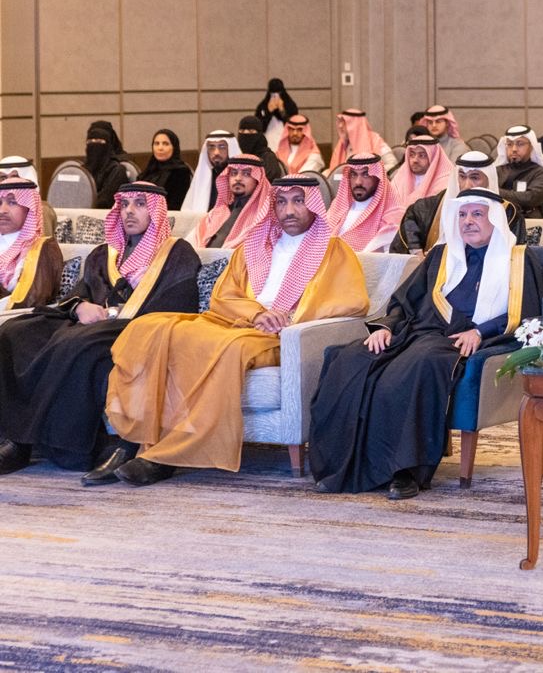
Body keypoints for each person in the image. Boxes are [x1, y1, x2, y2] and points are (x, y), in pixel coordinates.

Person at [103, 177, 369, 486]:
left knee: (227, 348)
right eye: (281, 202)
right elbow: (223, 297)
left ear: (313, 204)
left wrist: (289, 317)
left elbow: (351, 302)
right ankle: (134, 439)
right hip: (237, 322)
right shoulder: (253, 246)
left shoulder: (333, 250)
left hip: (276, 336)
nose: (289, 211)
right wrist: (256, 313)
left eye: (298, 201)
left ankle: (167, 457)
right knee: (151, 327)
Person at [309, 188, 543, 499]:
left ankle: (405, 471)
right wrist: (386, 327)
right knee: (350, 359)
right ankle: (340, 466)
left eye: (477, 214)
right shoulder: (441, 255)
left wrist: (481, 332)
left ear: (495, 219)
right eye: (462, 215)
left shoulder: (519, 260)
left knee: (412, 370)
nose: (468, 221)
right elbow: (405, 301)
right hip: (414, 332)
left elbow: (527, 313)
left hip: (460, 341)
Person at [0, 183, 200, 478]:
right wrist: (81, 307)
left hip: (139, 327)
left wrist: (114, 315)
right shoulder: (103, 254)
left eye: (140, 204)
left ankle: (61, 447)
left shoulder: (177, 253)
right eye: (125, 204)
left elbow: (180, 304)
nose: (129, 211)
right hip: (91, 326)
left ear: (156, 211)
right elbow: (79, 294)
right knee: (15, 332)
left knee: (74, 342)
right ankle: (15, 439)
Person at [391, 150, 525, 253]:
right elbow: (408, 231)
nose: (467, 185)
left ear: (489, 179)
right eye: (462, 177)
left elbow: (511, 256)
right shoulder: (428, 207)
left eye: (474, 178)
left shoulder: (508, 212)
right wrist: (418, 254)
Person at [0, 178, 64, 311]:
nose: (2, 210)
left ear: (30, 209)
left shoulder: (43, 249)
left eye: (12, 202)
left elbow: (32, 301)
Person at [186, 154, 273, 250]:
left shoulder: (264, 217)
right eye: (233, 173)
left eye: (246, 174)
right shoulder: (218, 212)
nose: (238, 178)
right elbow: (190, 243)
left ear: (258, 181)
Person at [386, 131, 455, 248]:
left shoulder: (446, 181)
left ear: (433, 157)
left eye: (422, 155)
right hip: (397, 238)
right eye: (412, 155)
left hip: (431, 240)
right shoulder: (399, 178)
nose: (415, 160)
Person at [326, 154, 399, 253]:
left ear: (378, 178)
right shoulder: (338, 207)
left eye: (366, 175)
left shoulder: (392, 215)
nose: (358, 182)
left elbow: (379, 257)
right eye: (353, 175)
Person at [493, 124, 543, 218]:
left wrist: (494, 192)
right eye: (509, 144)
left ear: (531, 146)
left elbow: (530, 198)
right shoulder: (497, 170)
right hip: (499, 217)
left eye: (520, 144)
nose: (514, 149)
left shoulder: (541, 173)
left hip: (528, 219)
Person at [181, 130, 240, 212]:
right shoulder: (202, 177)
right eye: (211, 147)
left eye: (222, 147)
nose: (216, 152)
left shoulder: (240, 179)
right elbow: (188, 212)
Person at [0, 156, 59, 237]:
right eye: (3, 178)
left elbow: (42, 243)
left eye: (15, 177)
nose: (8, 182)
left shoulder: (42, 209)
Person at [327, 109, 394, 174]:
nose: (340, 126)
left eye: (345, 122)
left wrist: (370, 174)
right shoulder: (343, 143)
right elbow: (335, 170)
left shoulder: (375, 141)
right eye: (340, 122)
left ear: (355, 124)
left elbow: (392, 165)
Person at [84, 120, 132, 209]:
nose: (94, 145)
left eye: (99, 141)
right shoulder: (84, 169)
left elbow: (104, 201)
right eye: (90, 141)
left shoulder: (117, 170)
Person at [137, 128, 192, 202]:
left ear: (174, 147)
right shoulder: (149, 170)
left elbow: (176, 204)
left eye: (165, 144)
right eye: (156, 143)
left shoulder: (181, 172)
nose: (160, 148)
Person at [235, 115, 287, 180]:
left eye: (251, 131)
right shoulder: (239, 157)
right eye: (242, 131)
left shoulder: (268, 158)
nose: (246, 135)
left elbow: (268, 181)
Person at [254, 78, 298, 145]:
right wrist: (268, 111)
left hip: (286, 141)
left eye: (278, 93)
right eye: (273, 94)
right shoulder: (263, 106)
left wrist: (282, 110)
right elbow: (259, 127)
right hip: (267, 142)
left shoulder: (290, 105)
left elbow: (293, 124)